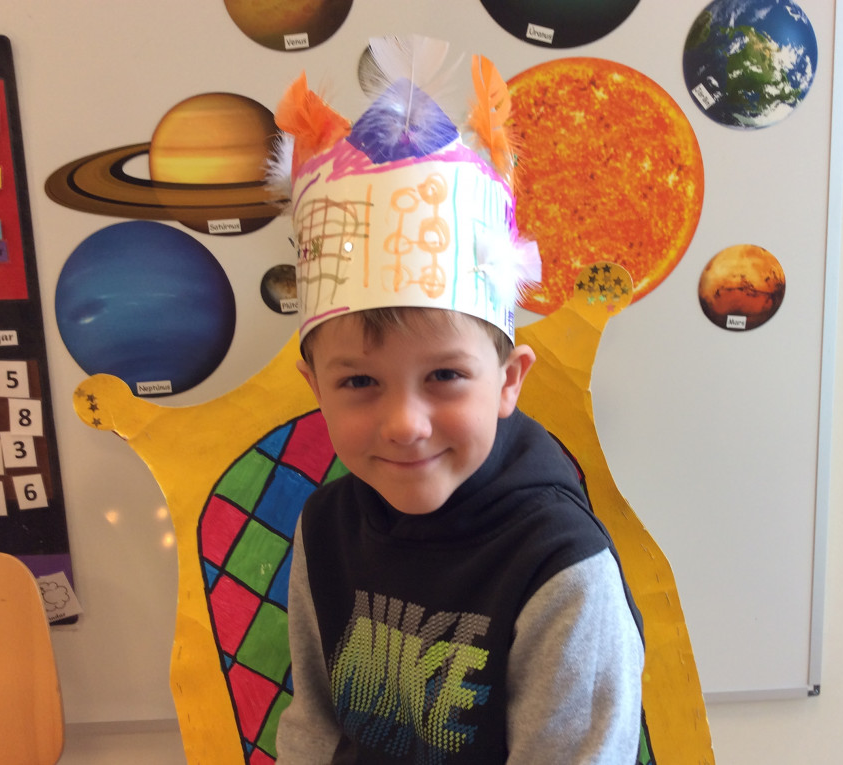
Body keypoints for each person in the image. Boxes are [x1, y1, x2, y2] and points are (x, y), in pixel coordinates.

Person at [272, 35, 644, 764]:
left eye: (444, 376)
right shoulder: (325, 529)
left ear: (508, 380)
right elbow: (313, 725)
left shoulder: (560, 568)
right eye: (359, 382)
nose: (405, 424)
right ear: (314, 387)